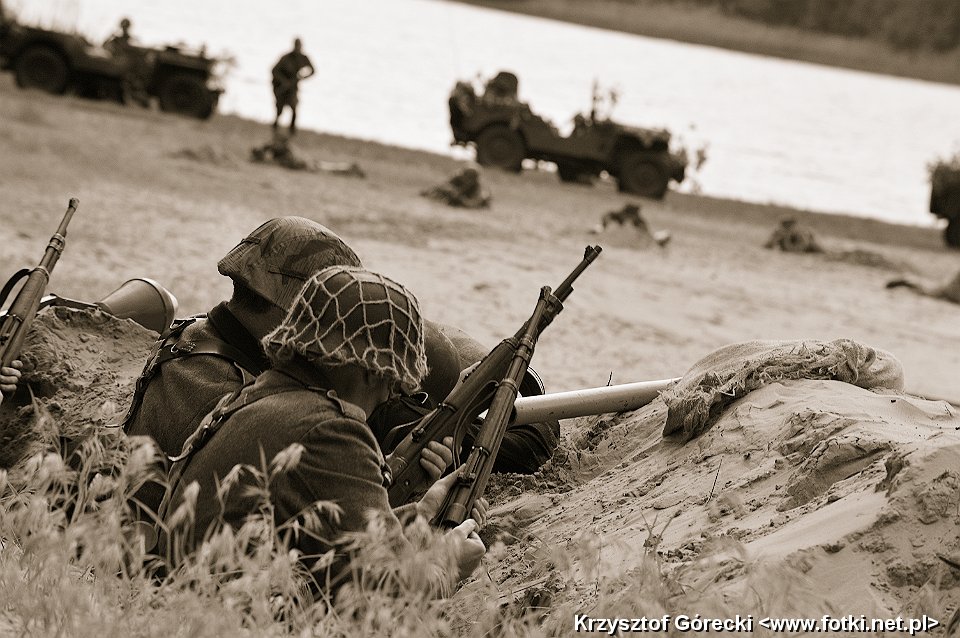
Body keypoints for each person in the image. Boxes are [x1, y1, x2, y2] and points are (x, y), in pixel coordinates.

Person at [123, 217, 558, 515]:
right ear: (297, 312)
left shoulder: (193, 342)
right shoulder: (246, 398)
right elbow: (335, 527)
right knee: (524, 431)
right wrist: (390, 469)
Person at [159, 266, 486, 598]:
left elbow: (345, 535)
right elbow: (386, 589)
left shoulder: (252, 397)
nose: (391, 393)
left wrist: (421, 514)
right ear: (372, 370)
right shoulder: (332, 429)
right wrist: (447, 565)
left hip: (185, 605)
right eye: (393, 380)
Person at [271, 38, 314, 135]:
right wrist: (283, 81)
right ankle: (275, 126)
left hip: (292, 87)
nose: (298, 48)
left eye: (299, 46)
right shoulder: (286, 57)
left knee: (294, 107)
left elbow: (312, 71)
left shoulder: (303, 58)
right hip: (281, 86)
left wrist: (301, 77)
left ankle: (292, 130)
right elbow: (274, 70)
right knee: (279, 108)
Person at [420, 164, 491, 209]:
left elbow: (472, 203)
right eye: (465, 176)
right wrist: (451, 191)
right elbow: (442, 186)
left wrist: (460, 199)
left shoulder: (476, 186)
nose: (466, 179)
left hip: (467, 199)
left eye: (469, 178)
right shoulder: (457, 178)